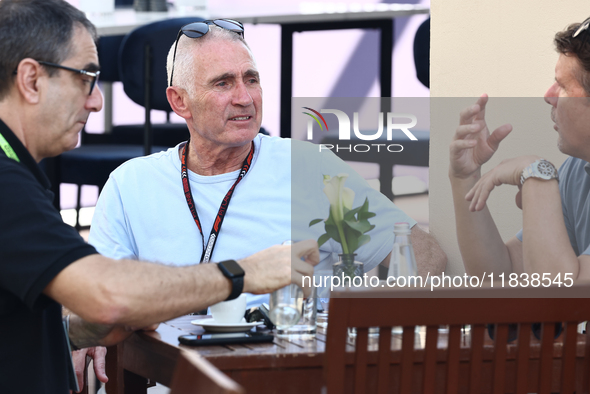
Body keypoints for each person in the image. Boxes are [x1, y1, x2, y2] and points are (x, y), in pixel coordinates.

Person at [0, 1, 319, 393]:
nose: (97, 100)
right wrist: (244, 273)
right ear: (31, 80)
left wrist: (78, 331)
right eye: (85, 77)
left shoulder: (307, 165)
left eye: (251, 79)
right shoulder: (9, 185)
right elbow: (106, 294)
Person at [88, 20, 447, 300]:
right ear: (179, 101)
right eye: (223, 84)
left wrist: (365, 323)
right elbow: (94, 294)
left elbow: (424, 253)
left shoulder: (307, 168)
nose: (245, 98)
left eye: (252, 79)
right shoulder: (131, 185)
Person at [449, 16, 590, 279]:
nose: (548, 96)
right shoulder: (579, 170)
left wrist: (537, 173)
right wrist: (464, 178)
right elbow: (500, 278)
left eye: (562, 86)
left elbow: (560, 301)